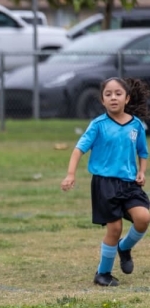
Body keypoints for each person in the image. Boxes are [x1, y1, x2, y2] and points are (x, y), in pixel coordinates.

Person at [61, 77, 150, 287]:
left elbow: (142, 151)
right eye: (108, 94)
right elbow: (78, 149)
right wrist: (71, 174)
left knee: (144, 218)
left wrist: (142, 171)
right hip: (105, 184)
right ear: (102, 100)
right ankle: (103, 274)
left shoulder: (136, 125)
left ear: (127, 98)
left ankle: (124, 248)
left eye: (118, 94)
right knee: (114, 228)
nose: (113, 98)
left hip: (129, 184)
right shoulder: (98, 125)